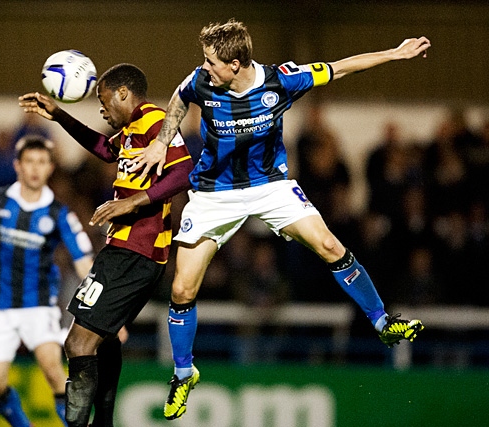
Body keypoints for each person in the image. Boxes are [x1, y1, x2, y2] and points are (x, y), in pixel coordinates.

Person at [131, 18, 430, 420]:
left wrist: (394, 53)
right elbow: (180, 98)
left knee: (329, 245)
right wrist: (160, 144)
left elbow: (341, 66)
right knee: (182, 289)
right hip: (213, 193)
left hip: (270, 185)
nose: (204, 68)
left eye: (211, 62)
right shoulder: (201, 81)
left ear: (236, 63)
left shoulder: (282, 81)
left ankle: (381, 321)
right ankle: (184, 373)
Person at [18, 63, 192, 427]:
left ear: (124, 93)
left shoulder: (154, 120)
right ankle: (104, 422)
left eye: (104, 99)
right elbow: (104, 149)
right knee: (104, 338)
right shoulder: (132, 130)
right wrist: (60, 116)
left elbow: (184, 169)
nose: (102, 108)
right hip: (126, 251)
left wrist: (134, 201)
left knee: (78, 344)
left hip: (135, 251)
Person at [0, 135, 94, 427]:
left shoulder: (59, 214)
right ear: (17, 166)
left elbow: (83, 261)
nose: (35, 168)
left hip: (39, 305)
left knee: (52, 365)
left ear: (51, 167)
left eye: (42, 162)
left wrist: (103, 306)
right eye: (29, 162)